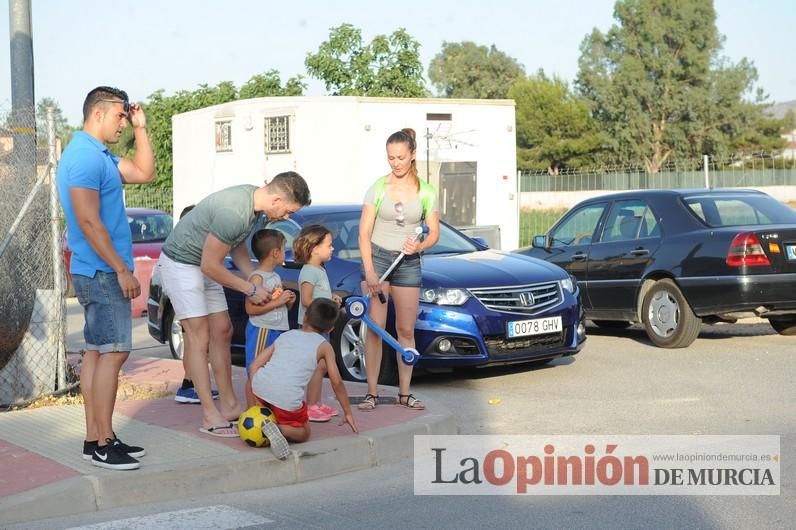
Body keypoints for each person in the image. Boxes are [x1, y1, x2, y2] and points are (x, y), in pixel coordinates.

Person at [157, 173, 311, 437]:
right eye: (288, 211)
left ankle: (229, 405)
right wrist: (250, 288)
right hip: (182, 263)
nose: (286, 217)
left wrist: (253, 278)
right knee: (199, 335)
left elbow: (236, 245)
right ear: (276, 199)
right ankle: (209, 414)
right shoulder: (235, 211)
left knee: (223, 330)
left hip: (204, 264)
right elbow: (210, 264)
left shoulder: (257, 210)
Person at [56, 86, 155, 470]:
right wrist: (121, 268)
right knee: (113, 353)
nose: (123, 123)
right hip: (100, 270)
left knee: (99, 353)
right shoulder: (83, 157)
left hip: (96, 268)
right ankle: (101, 443)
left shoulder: (100, 156)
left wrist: (142, 129)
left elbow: (145, 172)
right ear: (98, 113)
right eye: (120, 116)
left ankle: (97, 438)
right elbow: (87, 220)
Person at [358, 128, 440, 412]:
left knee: (405, 329)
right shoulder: (378, 187)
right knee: (375, 329)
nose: (395, 163)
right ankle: (372, 393)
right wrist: (369, 272)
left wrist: (418, 247)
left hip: (408, 263)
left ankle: (405, 394)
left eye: (400, 157)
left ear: (413, 155)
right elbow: (363, 233)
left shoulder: (426, 191)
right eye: (391, 157)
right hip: (378, 260)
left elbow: (434, 234)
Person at [246, 298, 358, 459]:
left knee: (252, 381)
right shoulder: (324, 346)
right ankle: (279, 429)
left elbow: (254, 366)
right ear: (331, 329)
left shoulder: (287, 335)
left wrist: (256, 390)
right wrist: (347, 412)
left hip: (260, 390)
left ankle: (254, 415)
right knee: (305, 432)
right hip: (287, 400)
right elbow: (337, 382)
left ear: (305, 316)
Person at [293, 224, 343, 422]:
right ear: (315, 248)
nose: (332, 249)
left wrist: (330, 297)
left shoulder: (318, 269)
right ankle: (311, 405)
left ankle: (316, 402)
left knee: (321, 366)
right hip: (312, 327)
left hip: (320, 325)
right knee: (317, 366)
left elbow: (318, 294)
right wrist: (327, 304)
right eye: (329, 245)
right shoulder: (309, 271)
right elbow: (306, 300)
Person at [172, 204, 219, 404]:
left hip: (187, 295)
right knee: (194, 341)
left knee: (192, 341)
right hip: (188, 296)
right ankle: (191, 386)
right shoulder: (185, 248)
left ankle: (190, 384)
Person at [243, 229, 296, 406]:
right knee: (256, 369)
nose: (285, 252)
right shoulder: (257, 278)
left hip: (278, 329)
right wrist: (278, 301)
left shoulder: (276, 276)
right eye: (283, 249)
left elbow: (276, 305)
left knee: (272, 369)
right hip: (262, 330)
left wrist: (287, 302)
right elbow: (250, 308)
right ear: (275, 253)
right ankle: (252, 410)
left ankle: (267, 406)